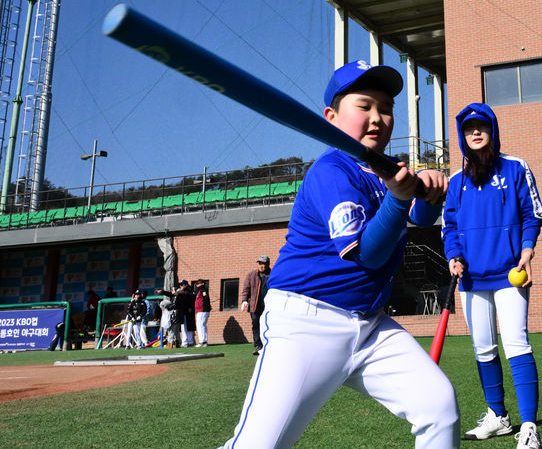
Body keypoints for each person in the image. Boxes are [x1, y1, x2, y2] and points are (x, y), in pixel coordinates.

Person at [223, 60, 459, 449]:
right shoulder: (331, 170)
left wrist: (429, 196)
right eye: (364, 106)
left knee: (438, 407)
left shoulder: (383, 171)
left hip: (370, 326)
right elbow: (366, 253)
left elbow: (413, 215)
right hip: (306, 323)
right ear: (331, 117)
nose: (378, 117)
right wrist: (402, 199)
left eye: (386, 108)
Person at [441, 103, 542, 449]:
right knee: (483, 349)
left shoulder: (516, 168)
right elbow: (449, 226)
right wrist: (454, 256)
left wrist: (527, 252)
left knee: (516, 344)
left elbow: (532, 215)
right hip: (471, 280)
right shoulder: (456, 181)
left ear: (492, 130)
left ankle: (529, 426)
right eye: (469, 128)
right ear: (462, 136)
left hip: (510, 273)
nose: (475, 132)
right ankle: (498, 417)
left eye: (481, 126)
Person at [239, 256, 270, 355]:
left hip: (269, 306)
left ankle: (269, 346)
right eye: (259, 263)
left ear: (268, 264)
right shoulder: (251, 275)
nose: (261, 266)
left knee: (269, 326)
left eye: (263, 263)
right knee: (256, 326)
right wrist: (244, 300)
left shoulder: (273, 275)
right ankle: (258, 346)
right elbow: (246, 289)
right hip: (255, 306)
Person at [173, 280, 196, 347]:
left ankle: (188, 342)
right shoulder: (180, 292)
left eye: (182, 284)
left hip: (188, 312)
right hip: (182, 312)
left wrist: (190, 307)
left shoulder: (189, 291)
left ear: (185, 285)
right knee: (184, 327)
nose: (181, 286)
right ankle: (186, 342)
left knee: (188, 327)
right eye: (180, 285)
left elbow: (191, 300)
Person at [194, 279, 212, 347]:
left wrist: (207, 308)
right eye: (196, 283)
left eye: (198, 283)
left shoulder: (203, 290)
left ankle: (202, 341)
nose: (197, 284)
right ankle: (204, 341)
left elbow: (206, 299)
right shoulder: (199, 291)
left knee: (200, 325)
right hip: (200, 310)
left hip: (202, 310)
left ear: (202, 283)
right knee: (202, 325)